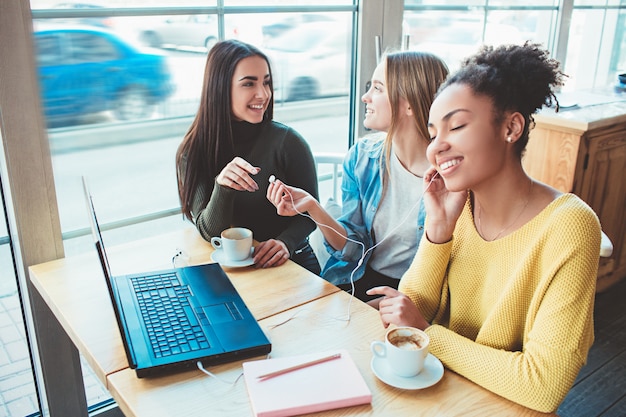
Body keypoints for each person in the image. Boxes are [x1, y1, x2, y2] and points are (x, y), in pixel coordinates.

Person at [368, 42, 601, 413]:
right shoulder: (458, 204)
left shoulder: (570, 225)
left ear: (511, 127)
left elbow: (543, 384)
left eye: (456, 126)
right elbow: (414, 308)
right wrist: (438, 230)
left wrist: (429, 336)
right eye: (432, 133)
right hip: (437, 393)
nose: (436, 148)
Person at [267, 51, 449, 302]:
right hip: (356, 280)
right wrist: (313, 207)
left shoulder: (452, 179)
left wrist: (398, 305)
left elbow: (449, 274)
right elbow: (353, 250)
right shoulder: (362, 158)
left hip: (413, 296)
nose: (365, 97)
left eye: (377, 88)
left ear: (409, 103)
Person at [175, 39, 320, 274]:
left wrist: (286, 243)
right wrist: (223, 186)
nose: (263, 94)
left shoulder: (288, 142)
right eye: (248, 84)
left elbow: (311, 213)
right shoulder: (193, 151)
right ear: (220, 88)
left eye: (266, 83)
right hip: (235, 268)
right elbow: (209, 232)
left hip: (293, 264)